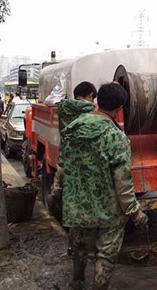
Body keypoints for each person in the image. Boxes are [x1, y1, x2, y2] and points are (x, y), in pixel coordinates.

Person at [61, 82, 148, 290]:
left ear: (97, 101)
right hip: (109, 211)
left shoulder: (72, 128)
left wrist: (58, 194)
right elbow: (122, 181)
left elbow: (63, 166)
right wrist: (134, 212)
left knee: (80, 248)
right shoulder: (116, 138)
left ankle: (77, 283)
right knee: (106, 255)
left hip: (77, 205)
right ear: (119, 109)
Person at [47, 81, 98, 222]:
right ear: (91, 95)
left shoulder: (64, 107)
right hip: (84, 159)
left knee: (65, 186)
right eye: (93, 98)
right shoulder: (90, 108)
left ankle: (57, 200)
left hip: (66, 156)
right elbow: (90, 107)